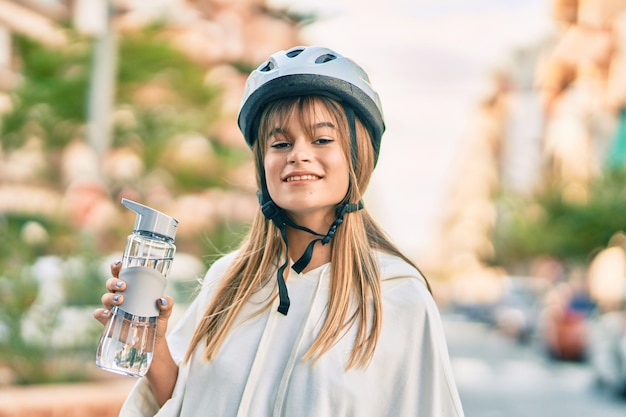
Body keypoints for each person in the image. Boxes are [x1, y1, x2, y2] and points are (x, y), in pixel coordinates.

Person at [95, 45, 465, 417]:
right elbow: (182, 400)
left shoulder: (395, 297)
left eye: (322, 139)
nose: (297, 154)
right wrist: (154, 342)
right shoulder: (228, 281)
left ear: (357, 156)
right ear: (262, 163)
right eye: (280, 143)